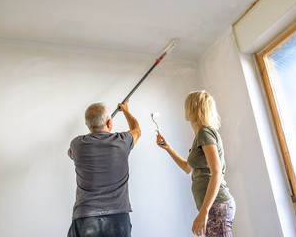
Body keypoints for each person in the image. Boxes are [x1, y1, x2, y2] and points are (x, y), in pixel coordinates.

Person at [156, 90, 235, 237]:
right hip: (213, 206)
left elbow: (217, 173)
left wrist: (204, 211)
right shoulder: (200, 135)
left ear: (194, 108)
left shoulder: (205, 132)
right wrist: (168, 148)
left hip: (216, 205)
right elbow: (187, 168)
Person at [67, 100, 141, 237]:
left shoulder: (77, 144)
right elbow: (137, 129)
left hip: (85, 218)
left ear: (87, 126)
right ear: (109, 123)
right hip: (118, 218)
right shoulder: (123, 141)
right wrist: (125, 111)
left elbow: (69, 153)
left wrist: (92, 131)